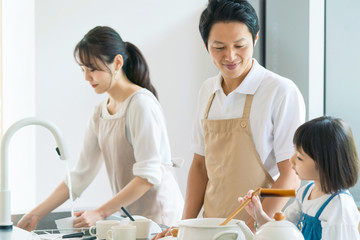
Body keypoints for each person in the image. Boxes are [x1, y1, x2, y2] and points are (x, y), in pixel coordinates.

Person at [153, 0, 305, 238]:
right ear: (206, 45)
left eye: (239, 45)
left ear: (255, 39)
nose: (230, 56)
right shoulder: (207, 91)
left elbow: (291, 176)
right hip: (210, 228)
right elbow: (200, 166)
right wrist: (186, 228)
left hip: (259, 230)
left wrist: (256, 228)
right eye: (219, 47)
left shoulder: (280, 91)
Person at [17, 26, 184, 231]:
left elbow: (147, 177)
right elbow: (79, 176)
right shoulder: (100, 112)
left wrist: (100, 212)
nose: (87, 77)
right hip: (134, 220)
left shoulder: (141, 104)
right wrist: (36, 213)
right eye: (83, 69)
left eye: (93, 69)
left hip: (162, 218)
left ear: (117, 63)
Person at [239, 116, 360, 240]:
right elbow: (283, 233)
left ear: (325, 164)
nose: (291, 160)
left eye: (300, 157)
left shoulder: (339, 207)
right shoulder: (306, 193)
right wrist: (258, 214)